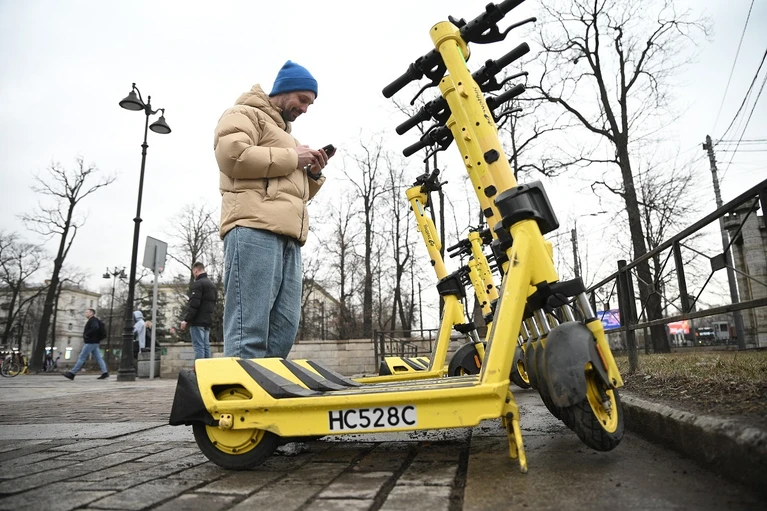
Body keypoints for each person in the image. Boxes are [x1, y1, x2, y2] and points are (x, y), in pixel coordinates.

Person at [214, 60, 333, 361]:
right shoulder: (243, 114)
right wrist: (293, 157)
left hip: (289, 238)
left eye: (310, 104)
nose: (305, 109)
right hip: (253, 229)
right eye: (302, 100)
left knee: (283, 330)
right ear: (284, 90)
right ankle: (240, 388)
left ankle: (266, 386)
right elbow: (232, 157)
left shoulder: (289, 140)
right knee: (249, 329)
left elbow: (290, 191)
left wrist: (313, 173)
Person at [180, 262, 217, 359]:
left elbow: (194, 304)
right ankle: (207, 368)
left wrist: (186, 320)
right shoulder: (212, 285)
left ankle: (199, 368)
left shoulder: (198, 284)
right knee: (206, 347)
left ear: (196, 270)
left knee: (199, 347)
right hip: (207, 321)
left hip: (197, 321)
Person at [63, 309, 109, 380]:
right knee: (99, 358)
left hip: (91, 342)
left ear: (91, 313)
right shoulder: (94, 320)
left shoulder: (93, 320)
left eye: (87, 312)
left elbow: (95, 327)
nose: (85, 313)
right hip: (95, 342)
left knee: (82, 357)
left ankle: (72, 373)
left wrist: (87, 334)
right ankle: (105, 372)